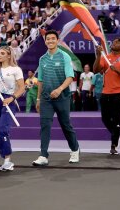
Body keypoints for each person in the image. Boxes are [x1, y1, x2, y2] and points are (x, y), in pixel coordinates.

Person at [32, 30, 80, 166]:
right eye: (48, 39)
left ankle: (75, 149)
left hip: (63, 97)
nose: (50, 41)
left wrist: (59, 89)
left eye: (53, 39)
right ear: (45, 41)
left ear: (57, 40)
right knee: (45, 125)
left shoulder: (65, 56)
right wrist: (38, 99)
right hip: (46, 99)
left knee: (66, 125)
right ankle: (43, 155)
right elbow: (40, 80)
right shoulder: (42, 59)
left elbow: (70, 77)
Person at [94, 39, 120, 155]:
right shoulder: (106, 57)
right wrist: (97, 55)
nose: (113, 43)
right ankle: (116, 133)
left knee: (116, 119)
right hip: (105, 92)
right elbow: (96, 70)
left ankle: (113, 145)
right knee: (105, 118)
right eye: (114, 41)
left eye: (117, 42)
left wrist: (116, 70)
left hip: (119, 92)